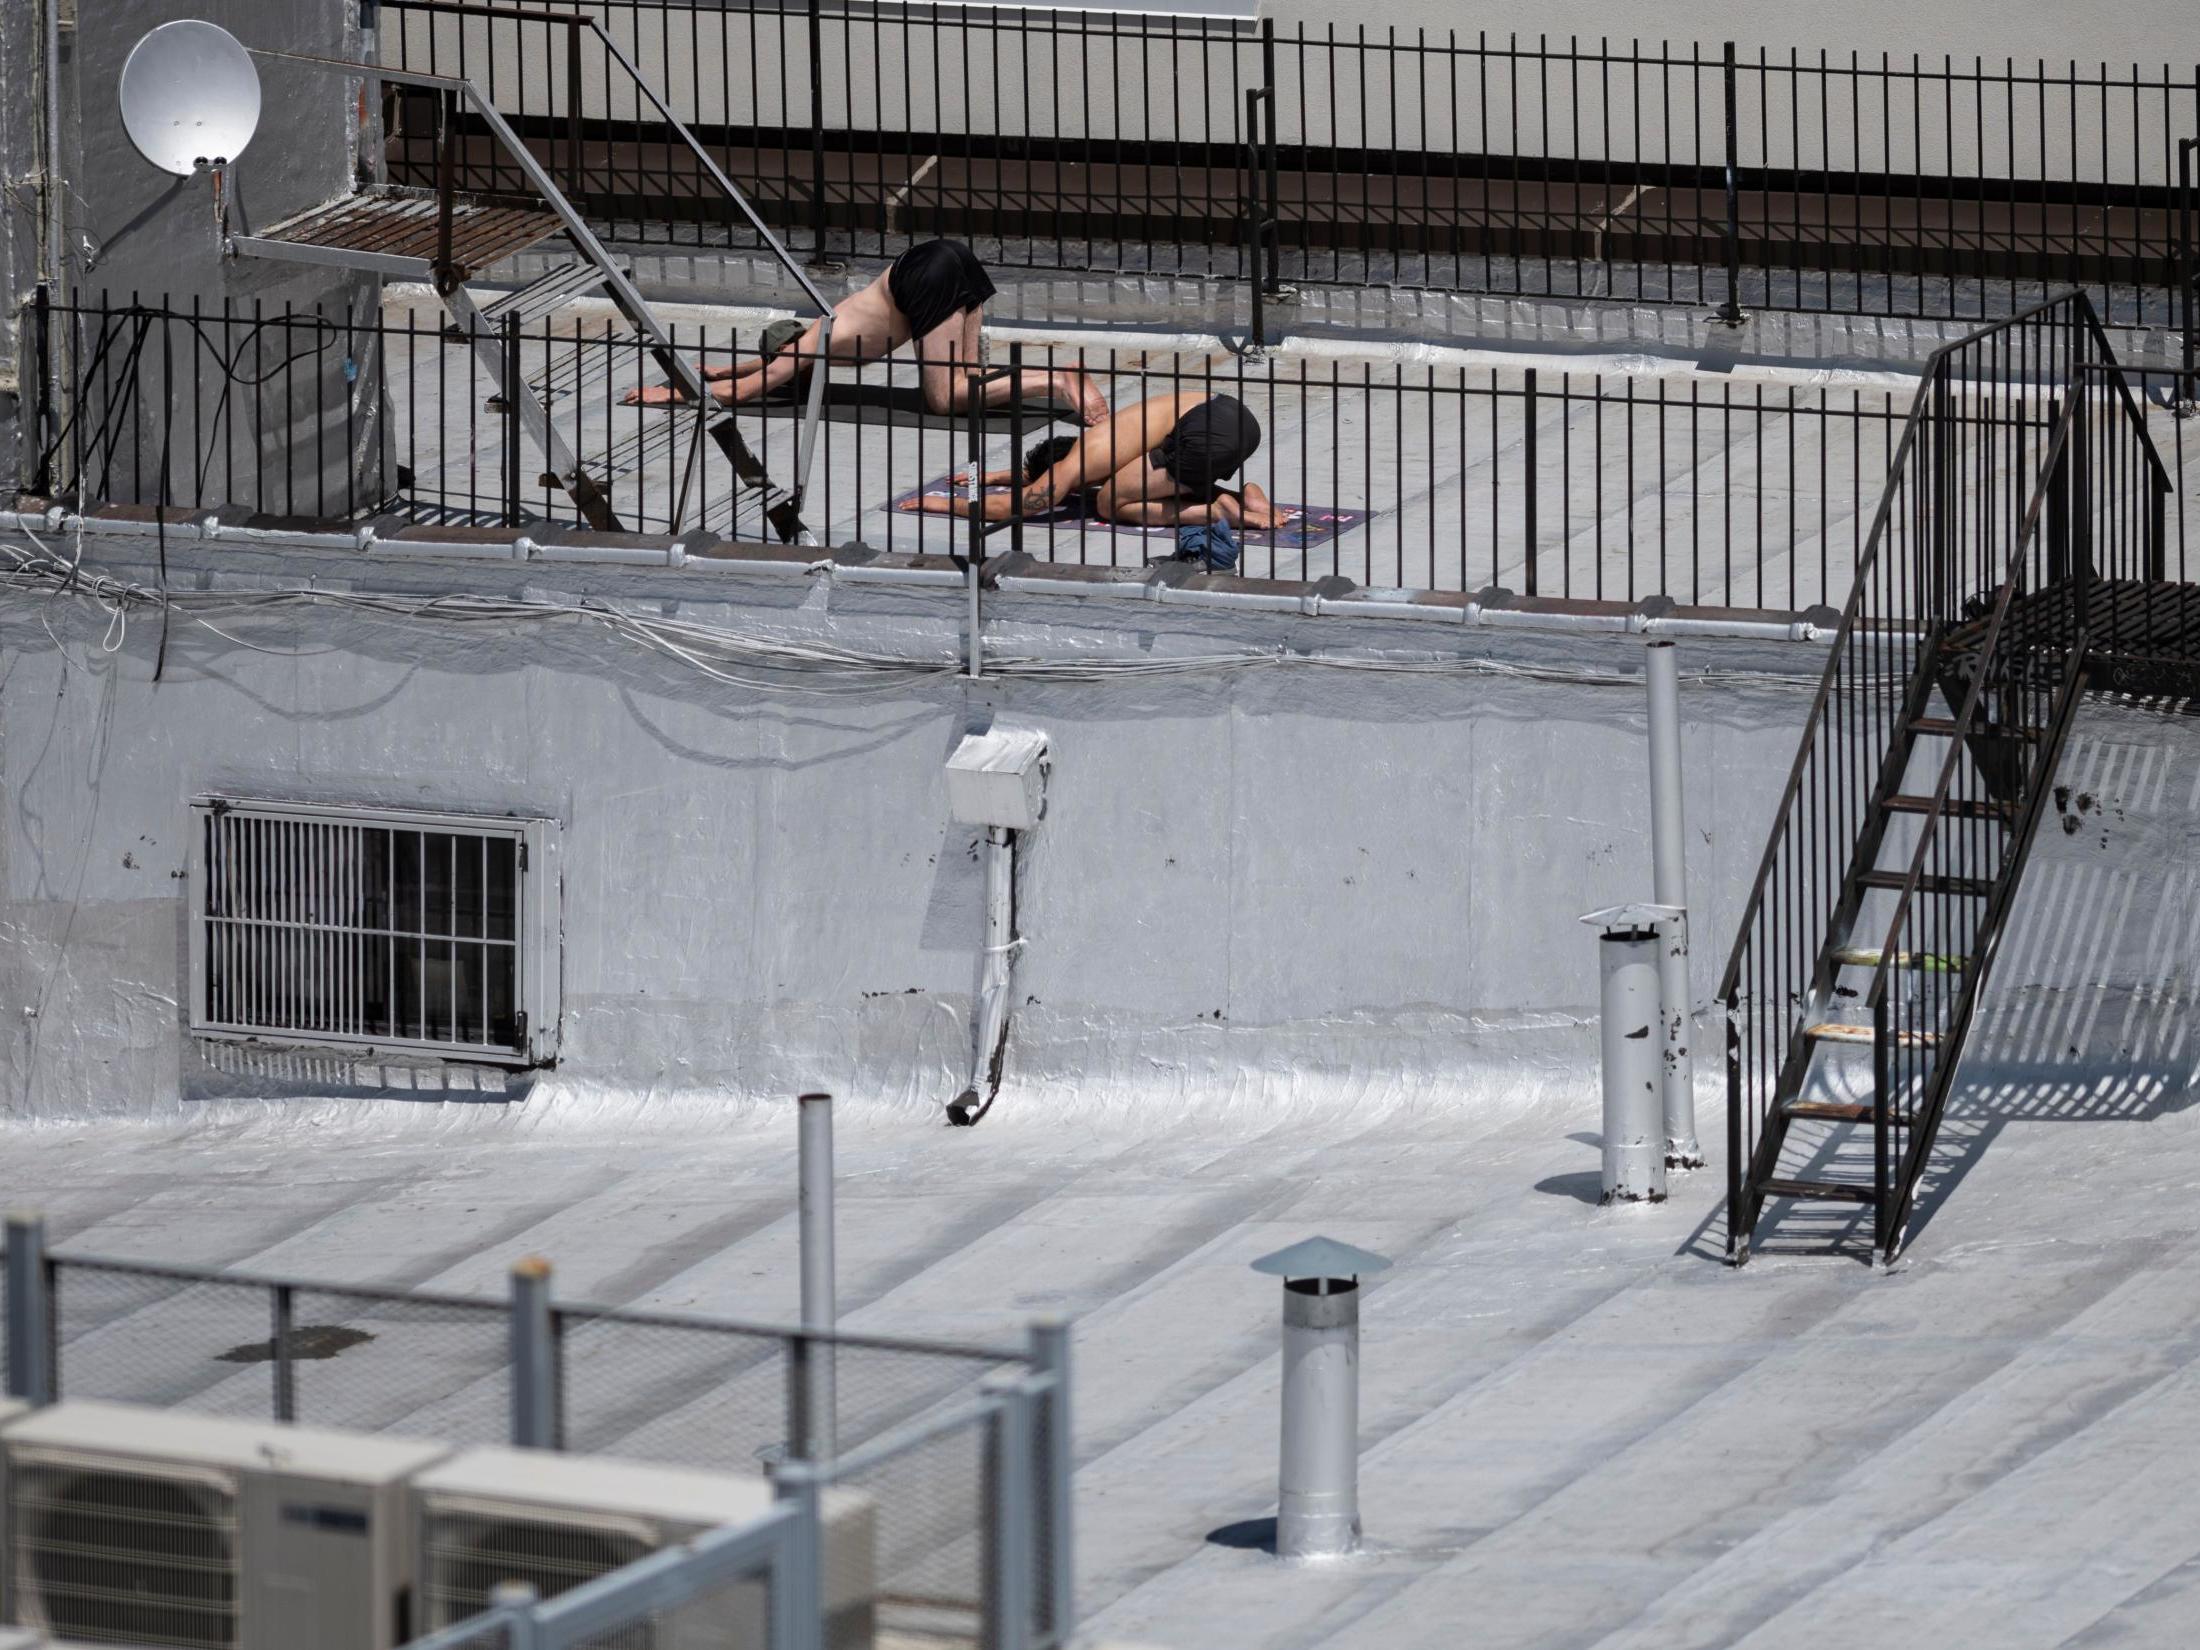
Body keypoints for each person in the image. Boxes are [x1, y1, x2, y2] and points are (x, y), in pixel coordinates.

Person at [622, 238, 1108, 425]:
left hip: (924, 278)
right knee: (970, 378)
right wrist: (709, 371)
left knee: (944, 399)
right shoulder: (817, 337)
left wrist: (676, 397)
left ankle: (1056, 379)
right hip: (943, 256)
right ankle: (1055, 376)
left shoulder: (815, 343)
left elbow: (749, 390)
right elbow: (761, 370)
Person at [898, 391, 1286, 529]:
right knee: (1160, 478)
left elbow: (1024, 502)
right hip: (1238, 418)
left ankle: (1219, 512)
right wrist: (981, 476)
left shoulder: (1081, 459)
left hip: (1206, 433)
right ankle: (1245, 495)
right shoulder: (1102, 442)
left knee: (1109, 502)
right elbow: (1032, 476)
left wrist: (942, 504)